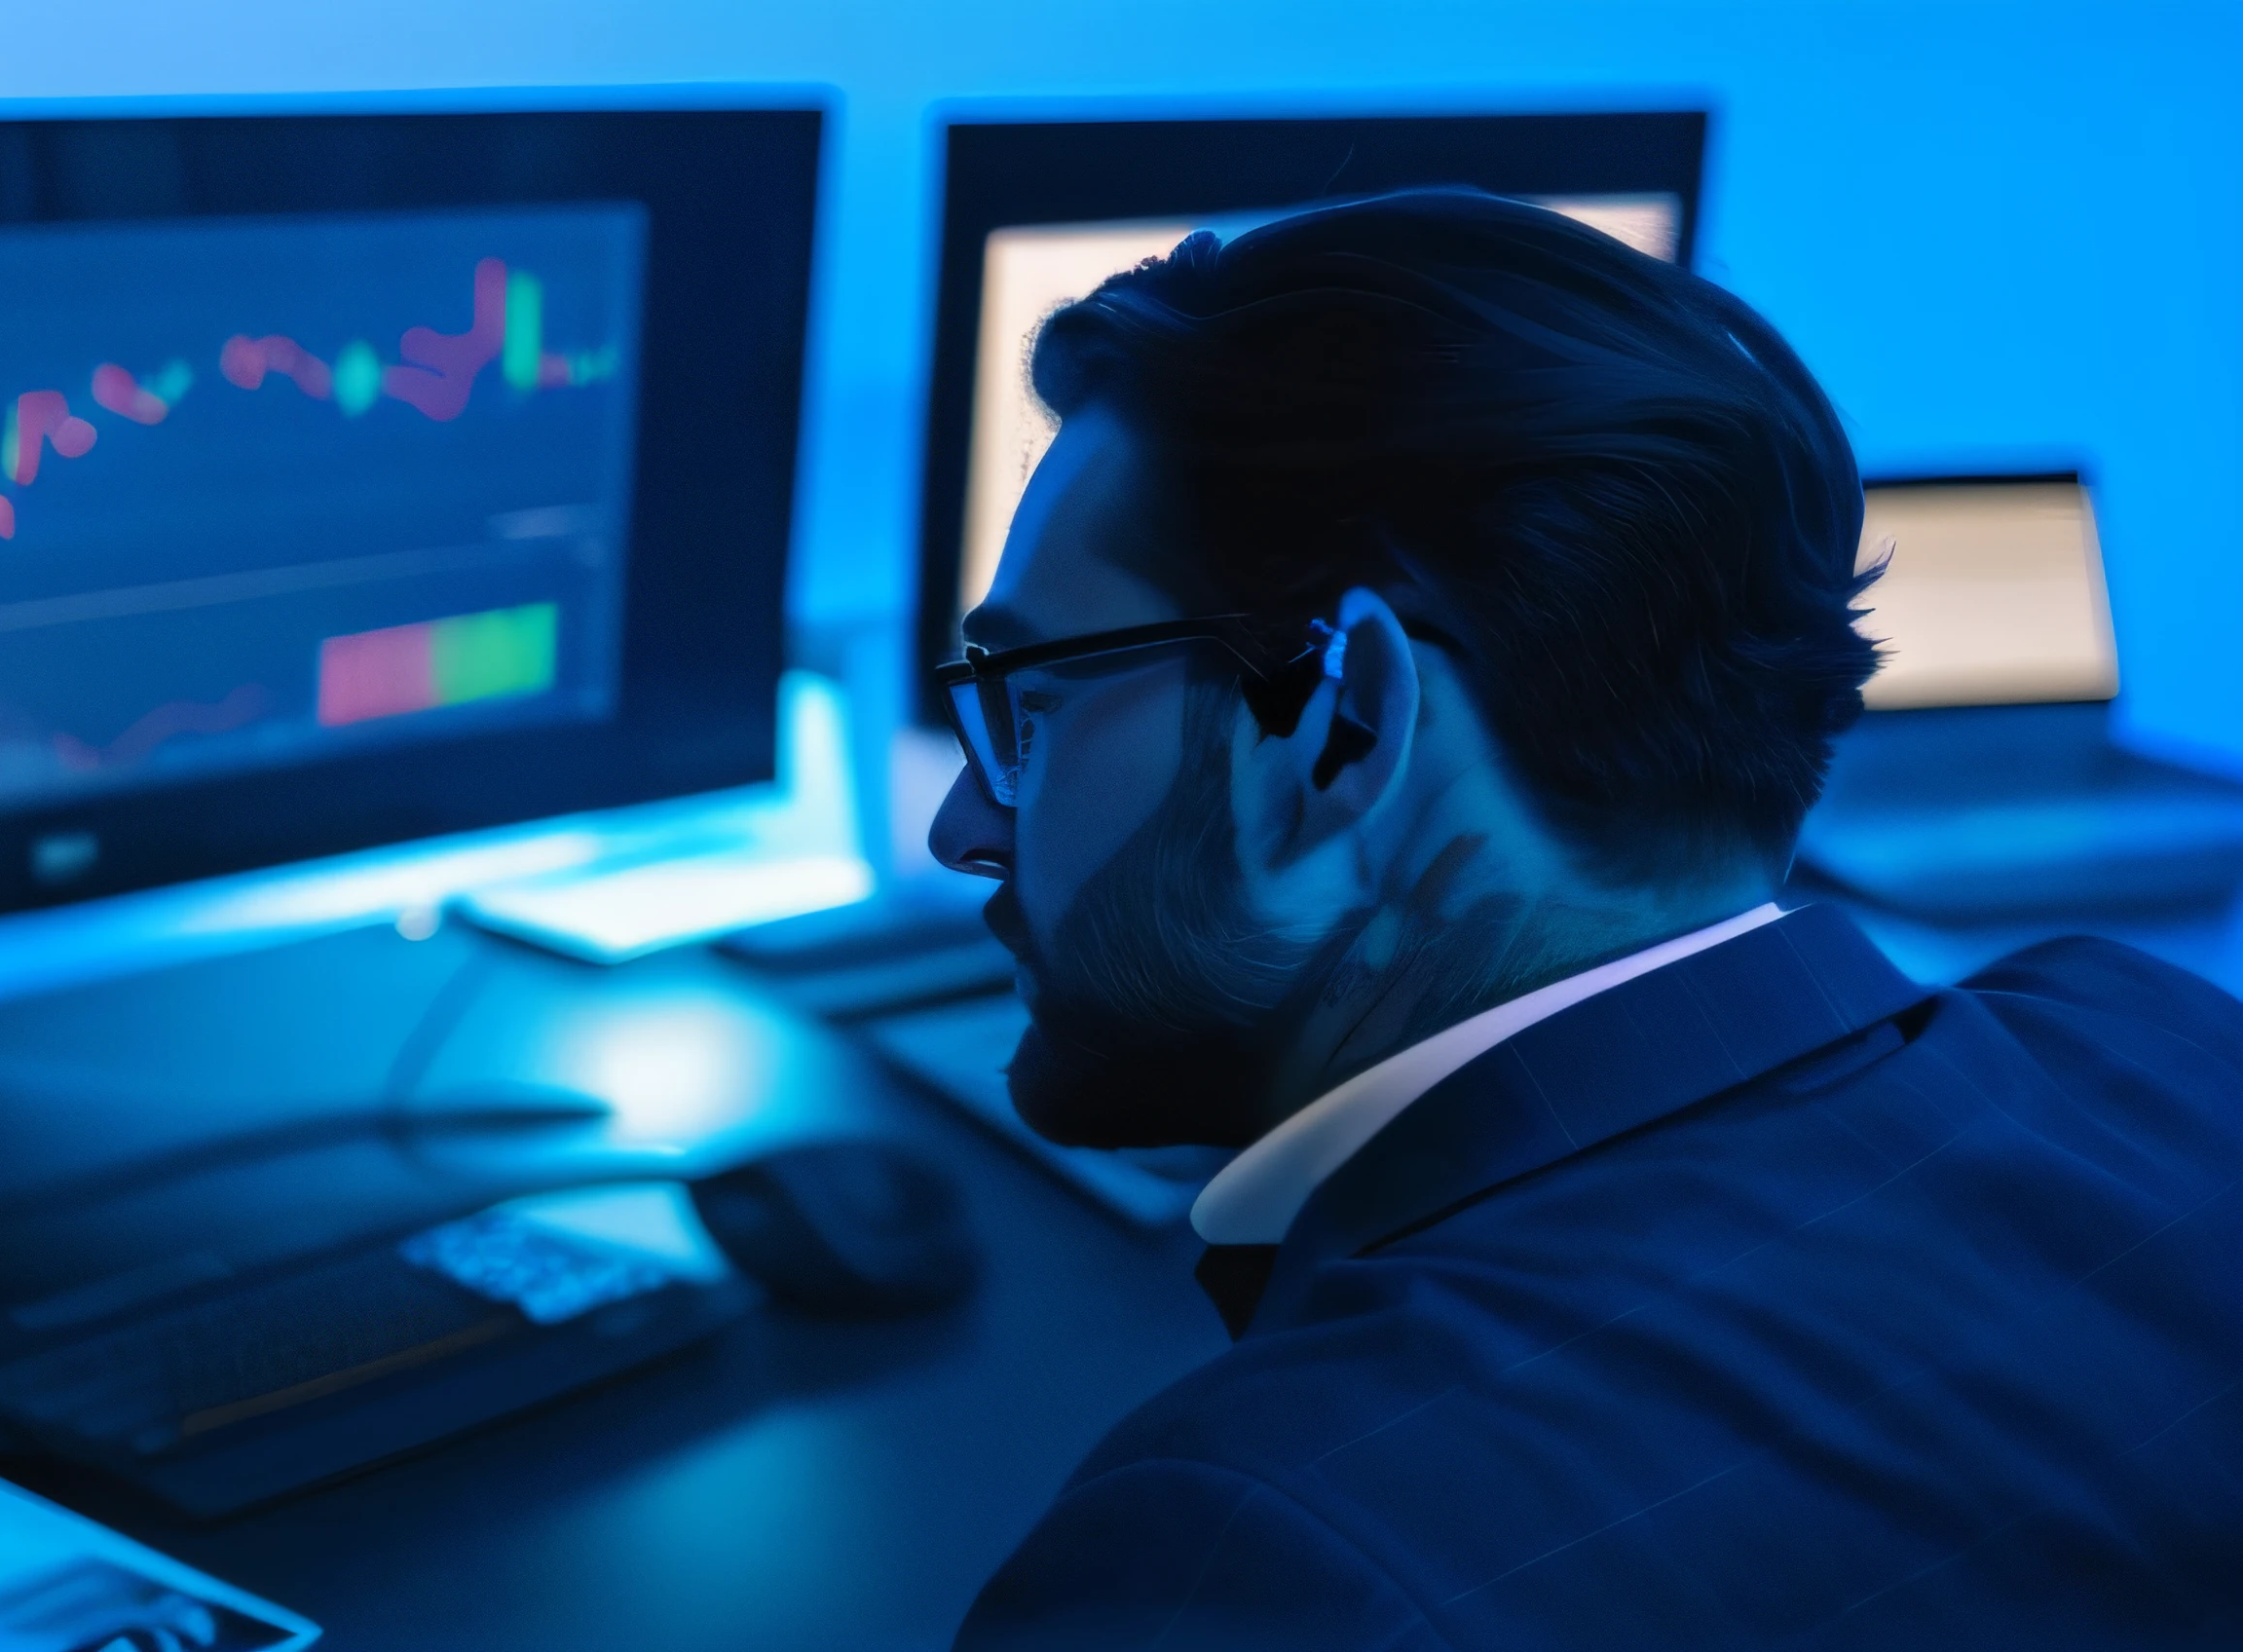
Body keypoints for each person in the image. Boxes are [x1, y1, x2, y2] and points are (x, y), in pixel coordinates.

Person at [931, 190, 2243, 1648]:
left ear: (1341, 734)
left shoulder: (1248, 1554)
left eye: (1031, 707)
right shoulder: (2173, 1051)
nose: (963, 824)